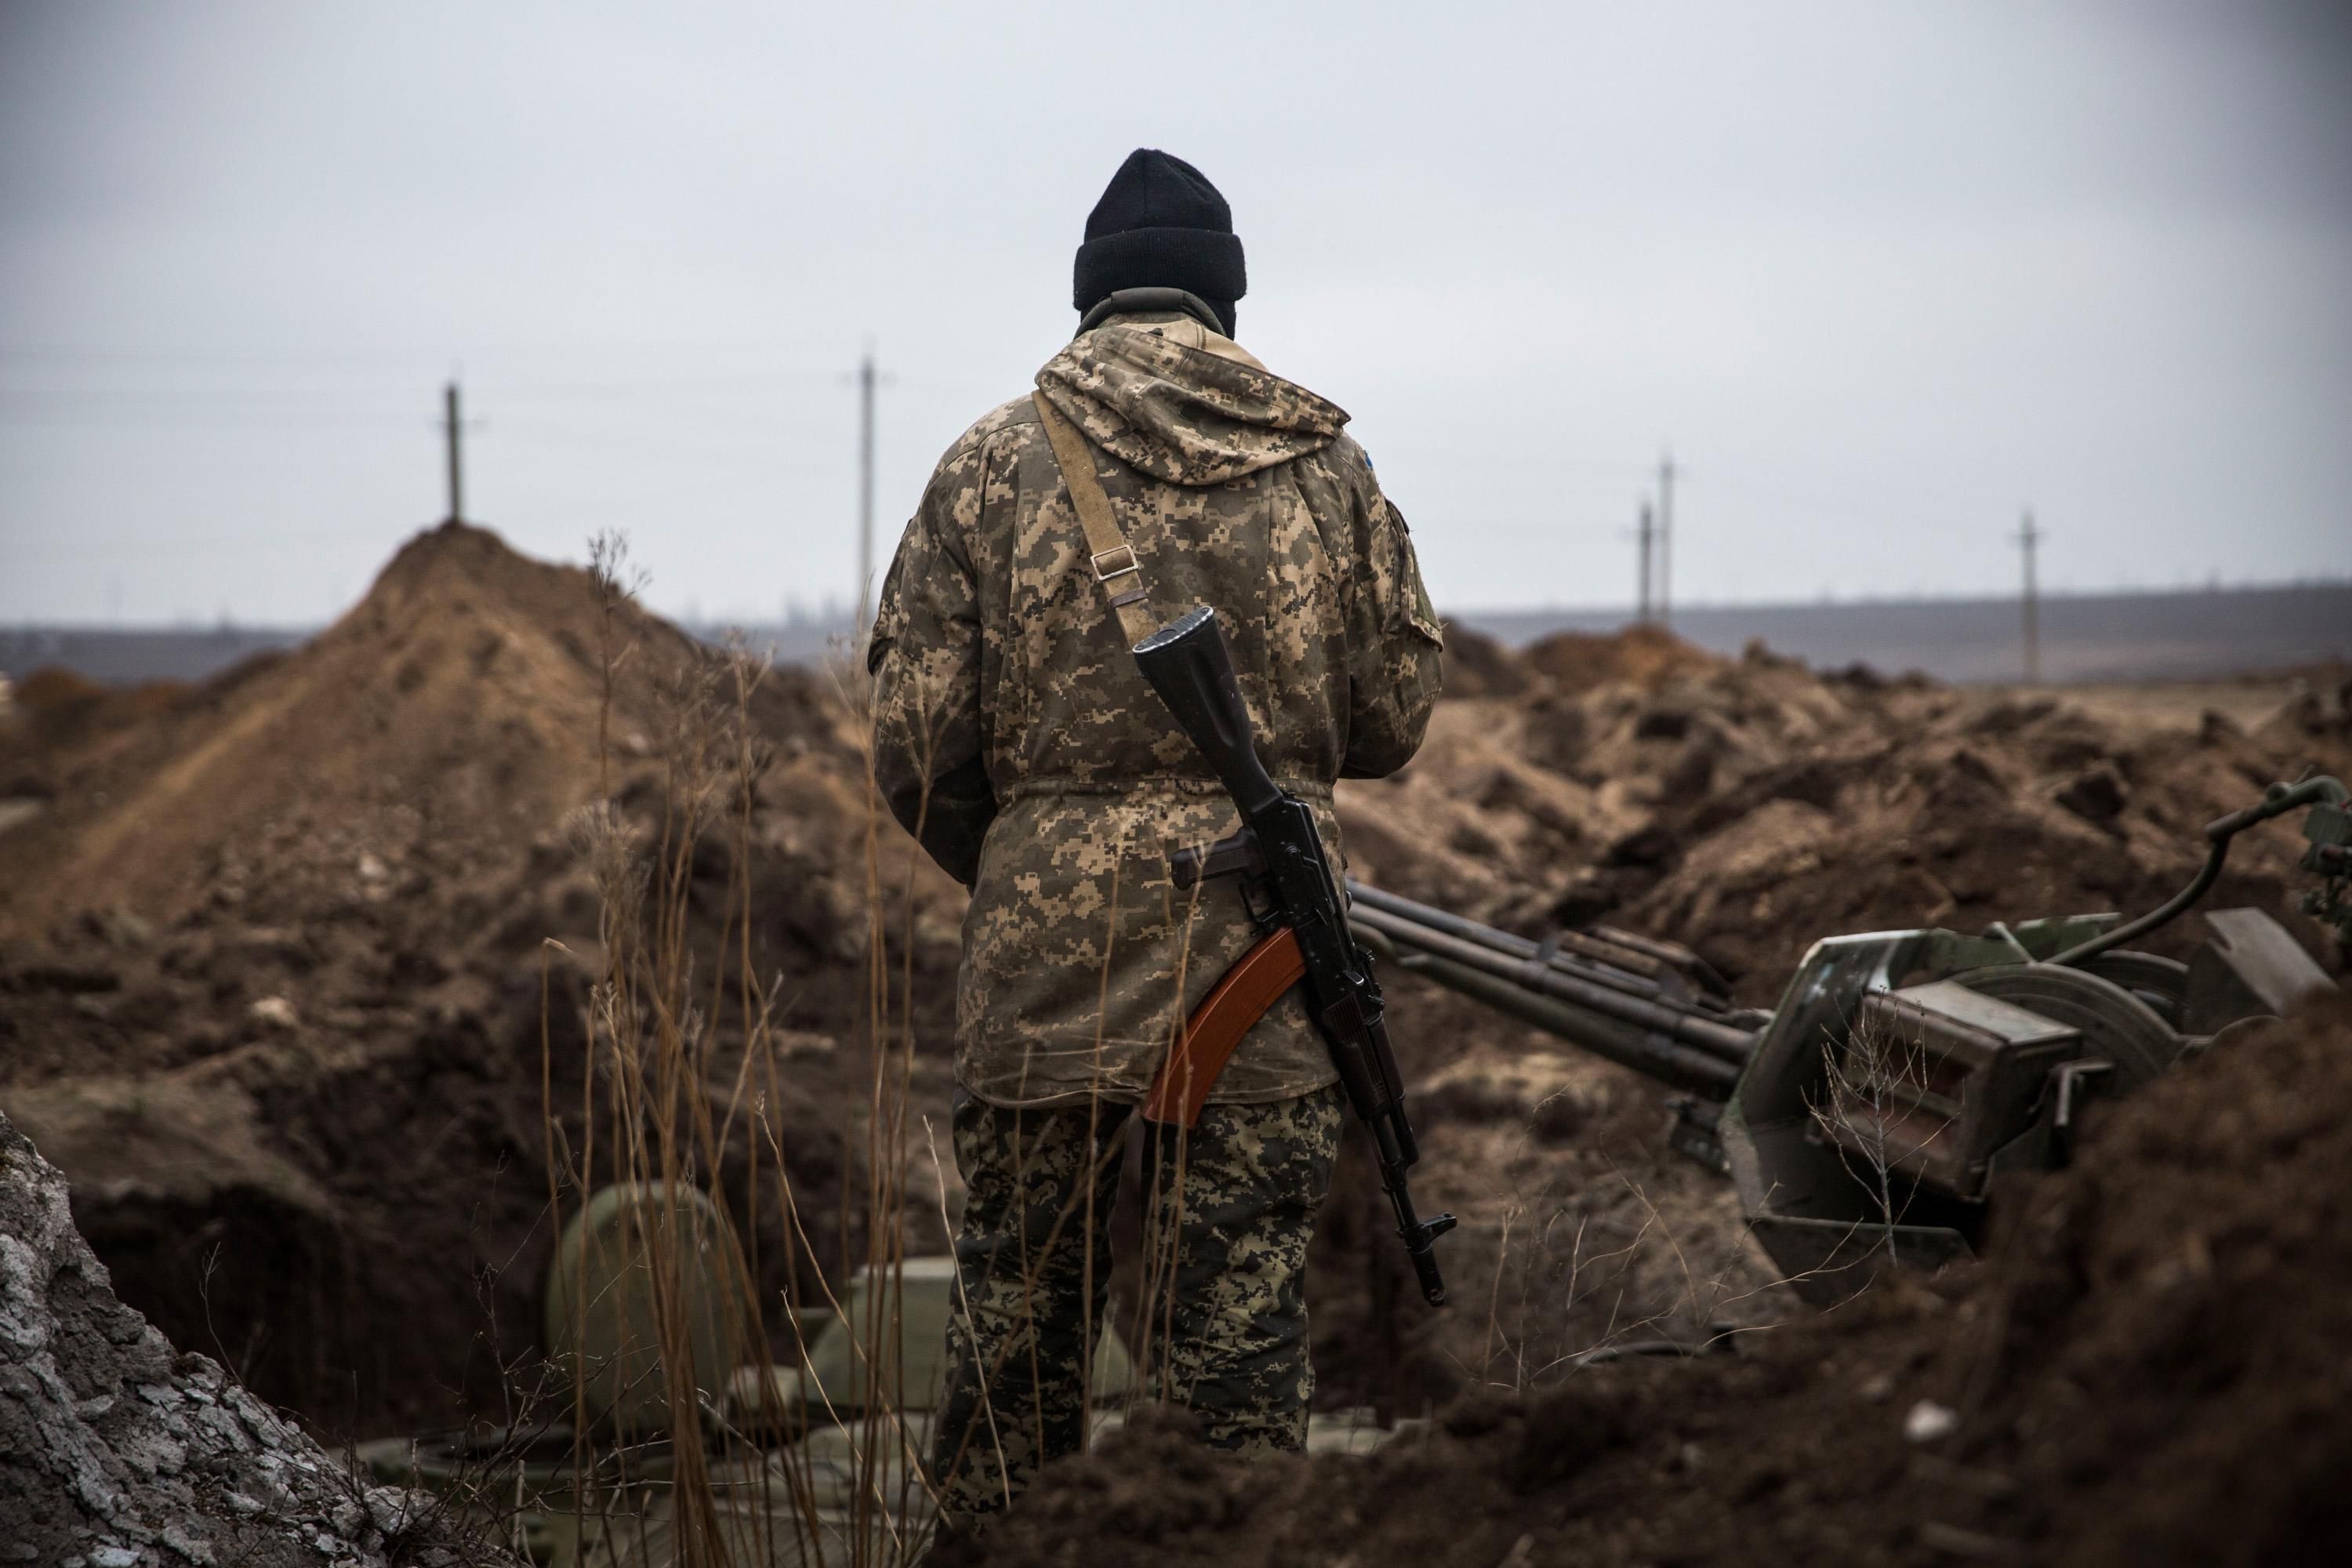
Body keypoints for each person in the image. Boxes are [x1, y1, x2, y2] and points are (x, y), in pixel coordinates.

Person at [867, 147, 1443, 1535]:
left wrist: (1030, 864)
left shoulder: (988, 464)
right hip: (1264, 960)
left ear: (1090, 300)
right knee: (1238, 1349)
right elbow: (1396, 714)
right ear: (1224, 300)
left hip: (1040, 971)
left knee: (1016, 1336)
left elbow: (913, 742)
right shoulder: (1329, 468)